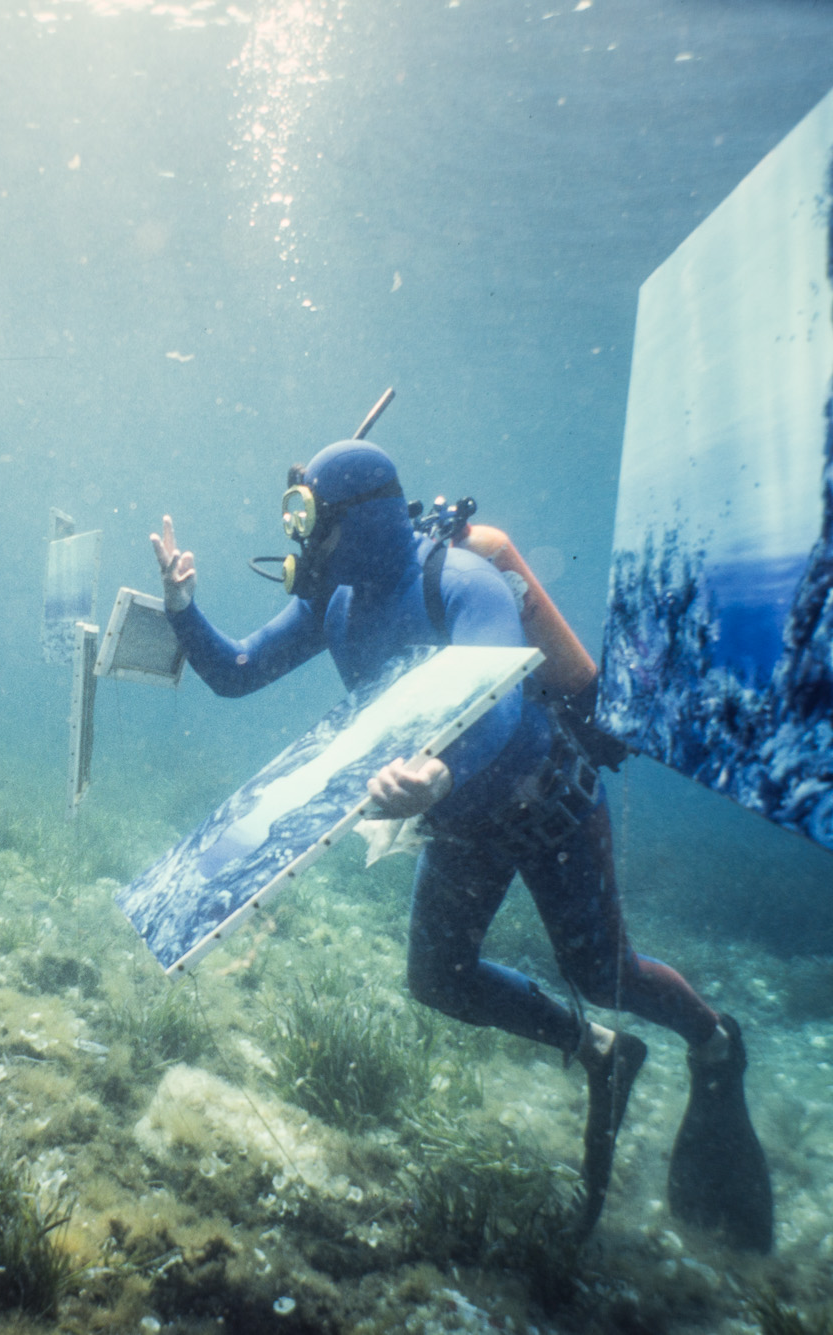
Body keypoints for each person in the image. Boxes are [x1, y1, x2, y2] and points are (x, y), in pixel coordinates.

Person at [151, 438, 773, 1250]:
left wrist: (442, 773)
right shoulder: (331, 602)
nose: (303, 544)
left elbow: (505, 701)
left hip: (547, 800)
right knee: (437, 979)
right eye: (296, 521)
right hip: (459, 820)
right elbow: (236, 671)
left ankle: (716, 1039)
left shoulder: (462, 579)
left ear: (362, 518)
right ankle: (600, 1051)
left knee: (603, 970)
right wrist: (180, 607)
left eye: (310, 521)